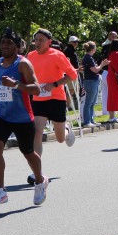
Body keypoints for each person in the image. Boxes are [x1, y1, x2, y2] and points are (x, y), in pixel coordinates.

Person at [0, 28, 47, 207]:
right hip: (2, 115)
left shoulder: (23, 64)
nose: (4, 46)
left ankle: (40, 181)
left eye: (9, 43)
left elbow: (36, 89)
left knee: (28, 152)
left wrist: (16, 84)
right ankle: (0, 191)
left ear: (18, 47)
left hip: (22, 117)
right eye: (3, 42)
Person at [27, 28, 78, 166]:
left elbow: (73, 75)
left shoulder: (57, 55)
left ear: (49, 42)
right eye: (36, 40)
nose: (38, 43)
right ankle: (36, 169)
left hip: (56, 98)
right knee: (37, 133)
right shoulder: (30, 56)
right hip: (39, 99)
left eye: (41, 40)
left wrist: (55, 84)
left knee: (60, 139)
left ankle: (66, 128)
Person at [98, 39, 118, 122]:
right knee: (115, 96)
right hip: (115, 78)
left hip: (110, 76)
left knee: (111, 96)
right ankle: (112, 117)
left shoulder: (110, 54)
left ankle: (112, 116)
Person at [79, 41, 100, 127]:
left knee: (92, 103)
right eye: (95, 47)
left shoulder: (88, 57)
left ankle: (91, 120)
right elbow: (95, 70)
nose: (96, 49)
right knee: (88, 103)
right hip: (91, 82)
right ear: (92, 48)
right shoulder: (88, 58)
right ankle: (87, 122)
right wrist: (102, 64)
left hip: (92, 81)